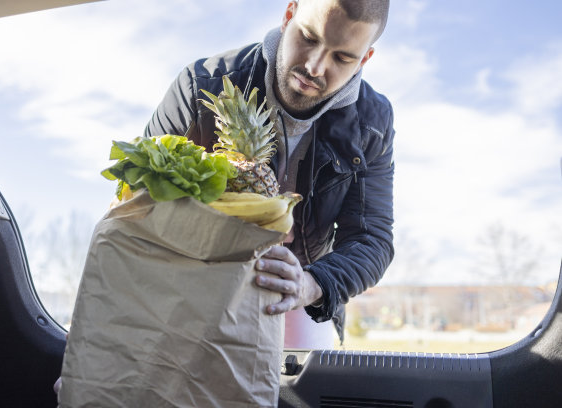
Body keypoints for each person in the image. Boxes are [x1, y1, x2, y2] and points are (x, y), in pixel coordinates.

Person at [144, 0, 395, 347]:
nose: (315, 67)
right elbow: (138, 204)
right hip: (191, 286)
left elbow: (372, 238)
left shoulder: (373, 123)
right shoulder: (200, 86)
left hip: (301, 291)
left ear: (364, 59)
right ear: (288, 15)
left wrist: (311, 284)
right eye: (308, 37)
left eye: (342, 58)